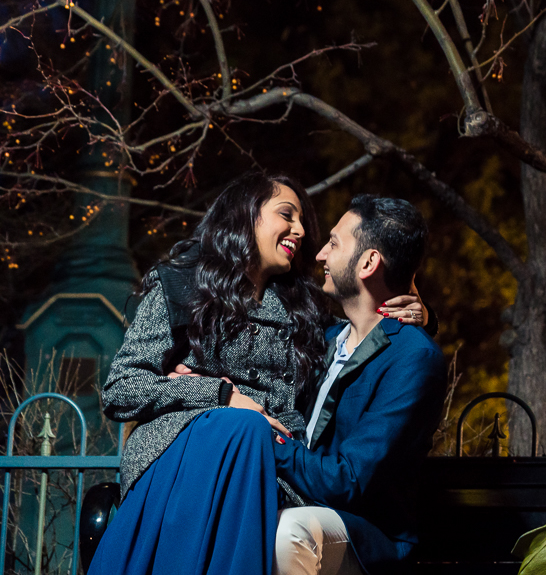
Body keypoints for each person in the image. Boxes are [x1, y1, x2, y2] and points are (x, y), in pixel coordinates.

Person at [90, 174, 426, 575]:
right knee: (244, 427)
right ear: (244, 216)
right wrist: (218, 394)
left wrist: (420, 315)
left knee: (249, 432)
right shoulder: (182, 285)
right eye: (287, 214)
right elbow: (121, 389)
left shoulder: (305, 310)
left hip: (269, 467)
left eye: (303, 221)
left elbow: (362, 343)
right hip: (183, 457)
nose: (301, 231)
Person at [269, 195, 447, 575]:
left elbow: (349, 479)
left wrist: (266, 440)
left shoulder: (413, 358)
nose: (320, 255)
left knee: (289, 532)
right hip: (303, 501)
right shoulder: (324, 338)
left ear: (368, 263)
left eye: (334, 243)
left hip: (365, 533)